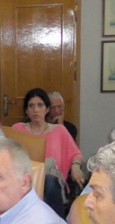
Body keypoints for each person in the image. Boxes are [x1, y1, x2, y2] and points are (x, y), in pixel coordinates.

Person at [13, 87, 85, 216]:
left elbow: (76, 154)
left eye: (40, 105)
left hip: (53, 182)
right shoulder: (18, 129)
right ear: (26, 110)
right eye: (31, 106)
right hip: (24, 181)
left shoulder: (59, 130)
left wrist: (75, 166)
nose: (35, 110)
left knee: (49, 180)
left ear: (46, 109)